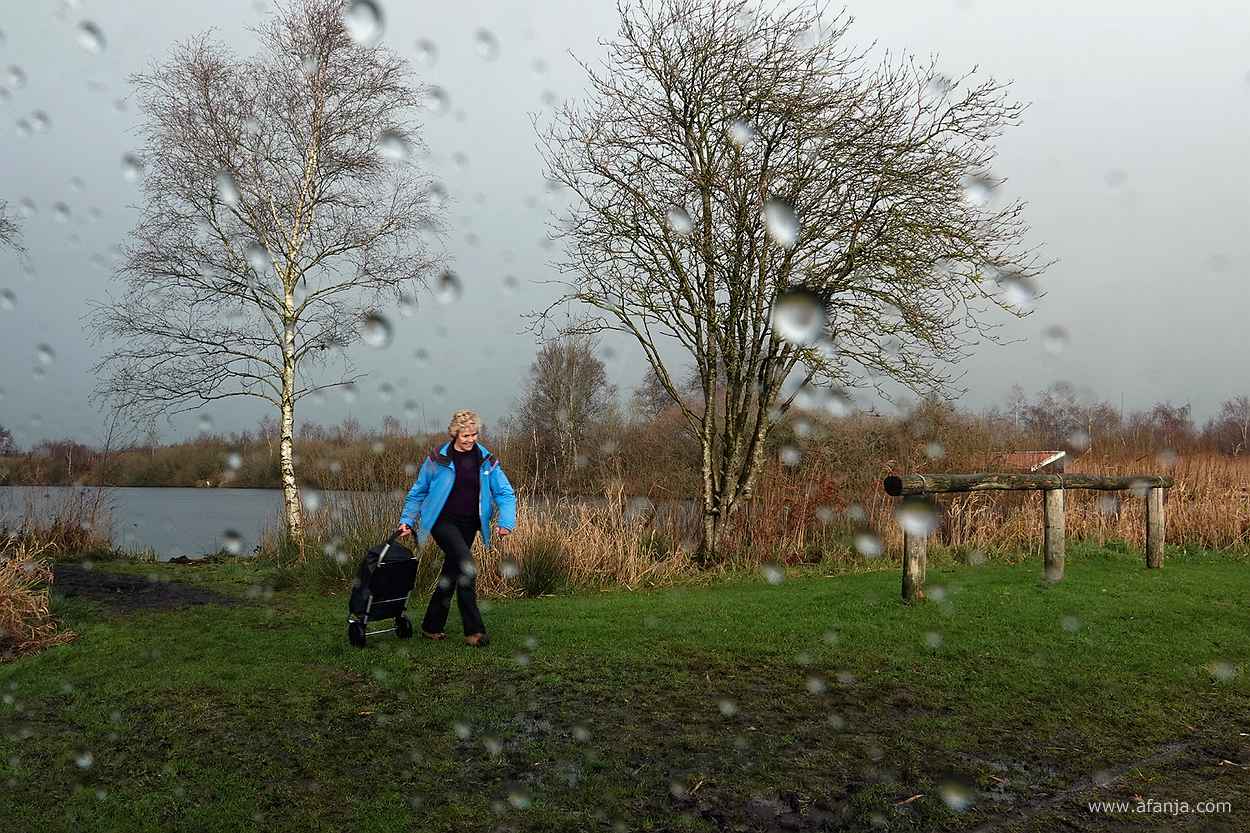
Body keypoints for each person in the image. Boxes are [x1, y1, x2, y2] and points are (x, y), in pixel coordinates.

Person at [396, 409, 516, 647]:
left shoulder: (486, 460)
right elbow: (418, 491)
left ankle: (431, 626)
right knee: (467, 566)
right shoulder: (437, 459)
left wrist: (506, 522)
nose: (470, 440)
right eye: (465, 436)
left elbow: (504, 492)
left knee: (451, 574)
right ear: (454, 434)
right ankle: (474, 631)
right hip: (441, 521)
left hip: (469, 524)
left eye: (474, 435)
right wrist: (407, 520)